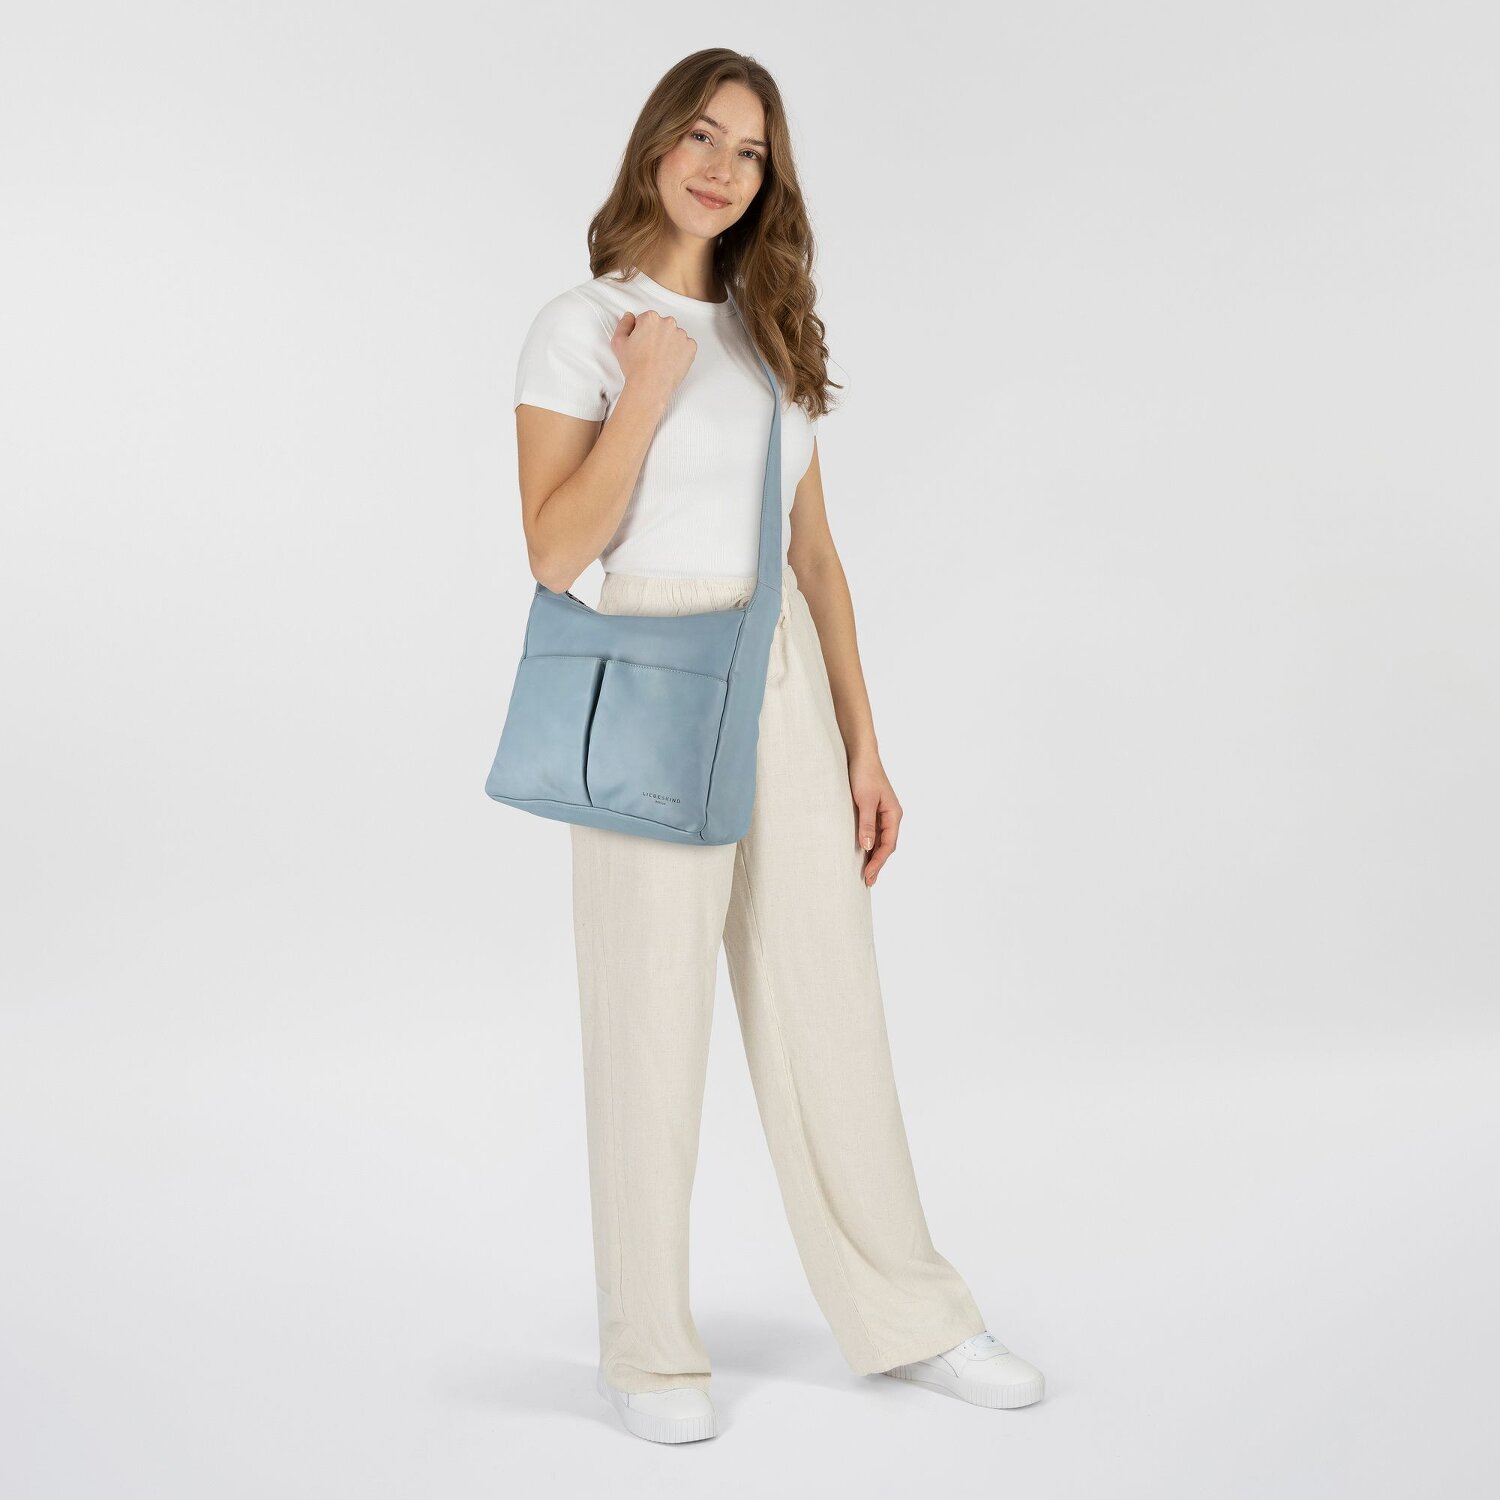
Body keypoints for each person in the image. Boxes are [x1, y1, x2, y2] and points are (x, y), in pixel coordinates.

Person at [510, 48, 1045, 1443]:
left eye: (751, 151)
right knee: (649, 1017)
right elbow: (555, 551)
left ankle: (912, 1312)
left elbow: (815, 554)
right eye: (703, 135)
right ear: (654, 145)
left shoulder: (771, 330)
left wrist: (864, 744)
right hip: (653, 662)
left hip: (782, 674)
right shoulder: (582, 325)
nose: (722, 168)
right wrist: (642, 392)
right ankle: (647, 1348)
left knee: (830, 1001)